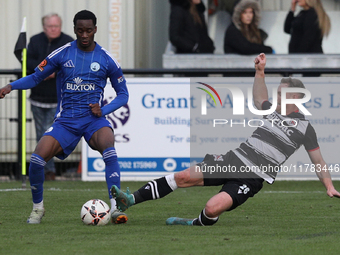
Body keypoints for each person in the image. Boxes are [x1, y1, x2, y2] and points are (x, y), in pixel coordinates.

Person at [111, 53, 340, 226]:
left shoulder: (305, 128)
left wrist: (328, 186)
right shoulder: (272, 110)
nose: (277, 95)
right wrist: (260, 72)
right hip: (234, 158)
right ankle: (130, 199)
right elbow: (260, 99)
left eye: (282, 93)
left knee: (212, 208)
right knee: (182, 176)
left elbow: (318, 162)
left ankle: (194, 224)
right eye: (278, 92)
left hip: (253, 177)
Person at [0, 10, 129, 224]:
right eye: (80, 30)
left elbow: (124, 94)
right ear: (75, 30)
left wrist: (103, 110)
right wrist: (10, 86)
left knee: (109, 146)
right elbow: (35, 77)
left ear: (95, 29)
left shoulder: (107, 59)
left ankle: (115, 208)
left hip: (93, 120)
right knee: (36, 159)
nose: (85, 34)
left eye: (89, 30)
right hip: (66, 121)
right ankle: (37, 209)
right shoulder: (62, 53)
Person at [27, 13, 73, 181]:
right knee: (41, 134)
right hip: (38, 98)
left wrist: (56, 71)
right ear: (44, 27)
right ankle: (45, 169)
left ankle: (48, 169)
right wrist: (43, 70)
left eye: (57, 26)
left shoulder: (68, 42)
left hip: (60, 100)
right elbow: (27, 61)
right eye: (50, 26)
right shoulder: (34, 41)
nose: (54, 29)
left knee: (52, 135)